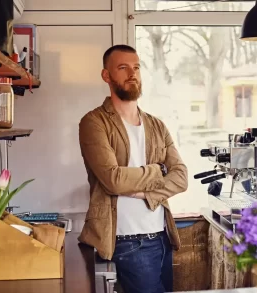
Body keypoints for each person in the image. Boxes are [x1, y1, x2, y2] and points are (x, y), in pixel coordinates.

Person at [78, 44, 188, 293]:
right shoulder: (94, 122)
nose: (132, 73)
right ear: (106, 75)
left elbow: (181, 177)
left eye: (136, 67)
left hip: (163, 236)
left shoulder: (156, 125)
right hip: (127, 241)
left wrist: (146, 193)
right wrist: (159, 170)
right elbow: (113, 180)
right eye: (123, 67)